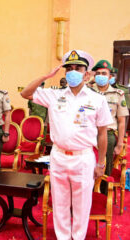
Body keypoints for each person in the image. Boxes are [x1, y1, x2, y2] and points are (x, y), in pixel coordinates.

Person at [20, 50, 112, 240]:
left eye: (78, 68)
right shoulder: (54, 95)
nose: (72, 71)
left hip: (83, 157)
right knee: (60, 202)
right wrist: (46, 76)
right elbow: (25, 93)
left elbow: (102, 133)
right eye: (69, 68)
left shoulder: (97, 99)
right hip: (59, 156)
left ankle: (77, 237)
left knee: (81, 204)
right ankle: (62, 237)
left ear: (87, 74)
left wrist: (101, 163)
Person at [91, 60, 128, 194]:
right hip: (88, 133)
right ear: (94, 76)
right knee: (86, 165)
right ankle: (86, 197)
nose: (101, 75)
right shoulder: (87, 91)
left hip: (108, 134)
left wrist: (120, 144)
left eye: (104, 73)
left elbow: (122, 121)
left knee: (105, 168)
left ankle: (104, 197)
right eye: (98, 73)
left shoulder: (118, 94)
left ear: (110, 76)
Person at [110, 67, 130, 135]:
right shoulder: (97, 88)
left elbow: (125, 113)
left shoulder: (123, 90)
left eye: (113, 75)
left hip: (115, 128)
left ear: (116, 77)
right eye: (109, 74)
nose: (111, 77)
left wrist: (123, 133)